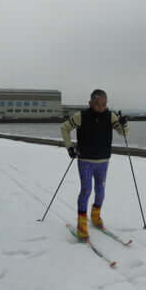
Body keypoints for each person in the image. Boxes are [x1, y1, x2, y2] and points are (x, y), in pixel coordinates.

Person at [60, 89, 129, 241]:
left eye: (104, 104)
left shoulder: (110, 116)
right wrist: (69, 147)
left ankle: (96, 216)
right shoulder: (81, 116)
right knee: (86, 190)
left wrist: (124, 124)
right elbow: (65, 128)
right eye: (97, 104)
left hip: (103, 161)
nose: (100, 107)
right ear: (90, 103)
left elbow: (124, 133)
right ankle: (82, 224)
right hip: (85, 161)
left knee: (100, 191)